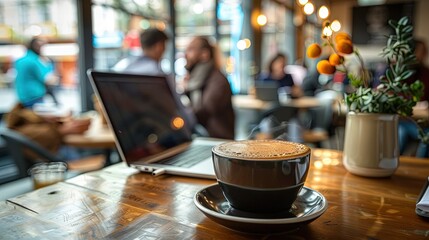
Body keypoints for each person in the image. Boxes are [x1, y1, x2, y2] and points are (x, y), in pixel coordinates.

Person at [183, 36, 235, 139]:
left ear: (204, 54)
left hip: (218, 142)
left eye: (191, 50)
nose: (186, 55)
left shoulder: (218, 80)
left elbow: (204, 111)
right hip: (204, 138)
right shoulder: (196, 79)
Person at [398, 39, 429, 158]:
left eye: (424, 52)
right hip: (404, 121)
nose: (423, 55)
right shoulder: (401, 73)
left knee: (427, 138)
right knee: (401, 135)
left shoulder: (426, 73)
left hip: (423, 124)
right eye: (420, 51)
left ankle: (421, 170)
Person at [14, 37, 60, 108]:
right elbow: (48, 80)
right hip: (35, 96)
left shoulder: (20, 60)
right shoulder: (35, 61)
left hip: (22, 95)